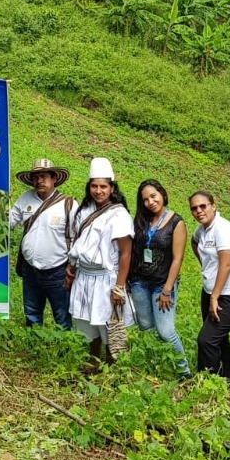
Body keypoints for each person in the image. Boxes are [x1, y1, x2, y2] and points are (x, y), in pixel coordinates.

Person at [66, 157, 134, 369]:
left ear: (112, 188)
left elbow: (126, 253)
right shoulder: (84, 211)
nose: (98, 191)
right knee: (88, 323)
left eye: (103, 186)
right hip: (84, 277)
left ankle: (111, 368)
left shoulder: (119, 215)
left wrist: (119, 287)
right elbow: (78, 242)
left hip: (106, 279)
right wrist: (72, 269)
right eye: (94, 186)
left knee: (109, 326)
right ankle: (92, 364)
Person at [129, 179, 191, 379]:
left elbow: (178, 258)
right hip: (139, 281)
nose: (150, 202)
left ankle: (184, 371)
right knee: (146, 326)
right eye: (145, 200)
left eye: (153, 196)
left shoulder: (176, 222)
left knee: (166, 330)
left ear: (162, 194)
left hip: (162, 284)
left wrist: (167, 290)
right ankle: (156, 364)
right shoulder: (142, 220)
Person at [10, 159, 74, 329]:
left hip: (57, 272)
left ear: (54, 179)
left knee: (62, 315)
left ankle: (63, 349)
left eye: (44, 176)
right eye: (36, 177)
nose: (39, 181)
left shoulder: (68, 204)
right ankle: (34, 344)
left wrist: (72, 268)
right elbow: (9, 221)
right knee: (31, 312)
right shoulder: (26, 198)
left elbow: (78, 238)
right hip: (30, 269)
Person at [189, 190, 230, 380]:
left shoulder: (223, 228)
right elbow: (194, 242)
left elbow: (227, 264)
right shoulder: (203, 229)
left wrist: (214, 296)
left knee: (206, 340)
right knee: (219, 340)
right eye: (194, 208)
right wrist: (207, 266)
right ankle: (226, 379)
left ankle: (208, 382)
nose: (199, 211)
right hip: (210, 291)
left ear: (213, 206)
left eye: (203, 206)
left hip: (229, 295)